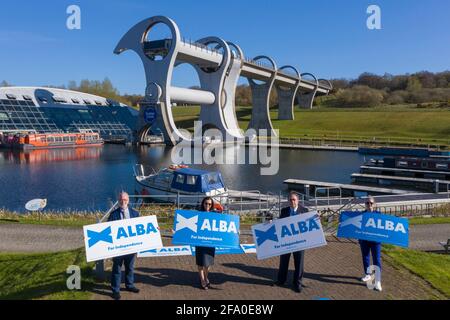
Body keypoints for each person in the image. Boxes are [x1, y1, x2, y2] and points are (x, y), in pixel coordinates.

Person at [272, 191, 310, 293]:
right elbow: (279, 224)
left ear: (298, 201)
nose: (292, 201)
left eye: (294, 199)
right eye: (290, 199)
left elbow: (310, 224)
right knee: (283, 262)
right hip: (286, 242)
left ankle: (297, 283)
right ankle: (281, 280)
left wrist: (316, 219)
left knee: (299, 263)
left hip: (299, 242)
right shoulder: (284, 211)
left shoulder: (305, 210)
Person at [107, 191, 141, 300]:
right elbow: (106, 230)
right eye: (121, 200)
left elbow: (142, 229)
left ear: (128, 200)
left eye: (125, 200)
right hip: (118, 248)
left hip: (131, 247)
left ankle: (129, 285)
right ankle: (115, 290)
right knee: (117, 269)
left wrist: (155, 229)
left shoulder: (135, 214)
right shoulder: (113, 214)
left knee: (130, 268)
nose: (123, 201)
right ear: (118, 201)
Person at [195, 196, 219, 290]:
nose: (207, 205)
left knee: (208, 264)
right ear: (203, 204)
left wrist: (234, 232)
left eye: (209, 204)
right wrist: (176, 232)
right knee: (200, 263)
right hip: (200, 242)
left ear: (212, 205)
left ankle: (206, 277)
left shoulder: (215, 215)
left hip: (210, 243)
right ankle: (202, 280)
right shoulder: (198, 214)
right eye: (206, 203)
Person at [359, 196, 383, 292]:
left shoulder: (379, 214)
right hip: (364, 240)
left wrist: (403, 230)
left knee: (376, 259)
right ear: (365, 205)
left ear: (374, 204)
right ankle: (368, 275)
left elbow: (389, 226)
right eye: (367, 203)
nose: (369, 205)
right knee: (365, 257)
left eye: (371, 203)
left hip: (375, 242)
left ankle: (377, 281)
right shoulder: (362, 214)